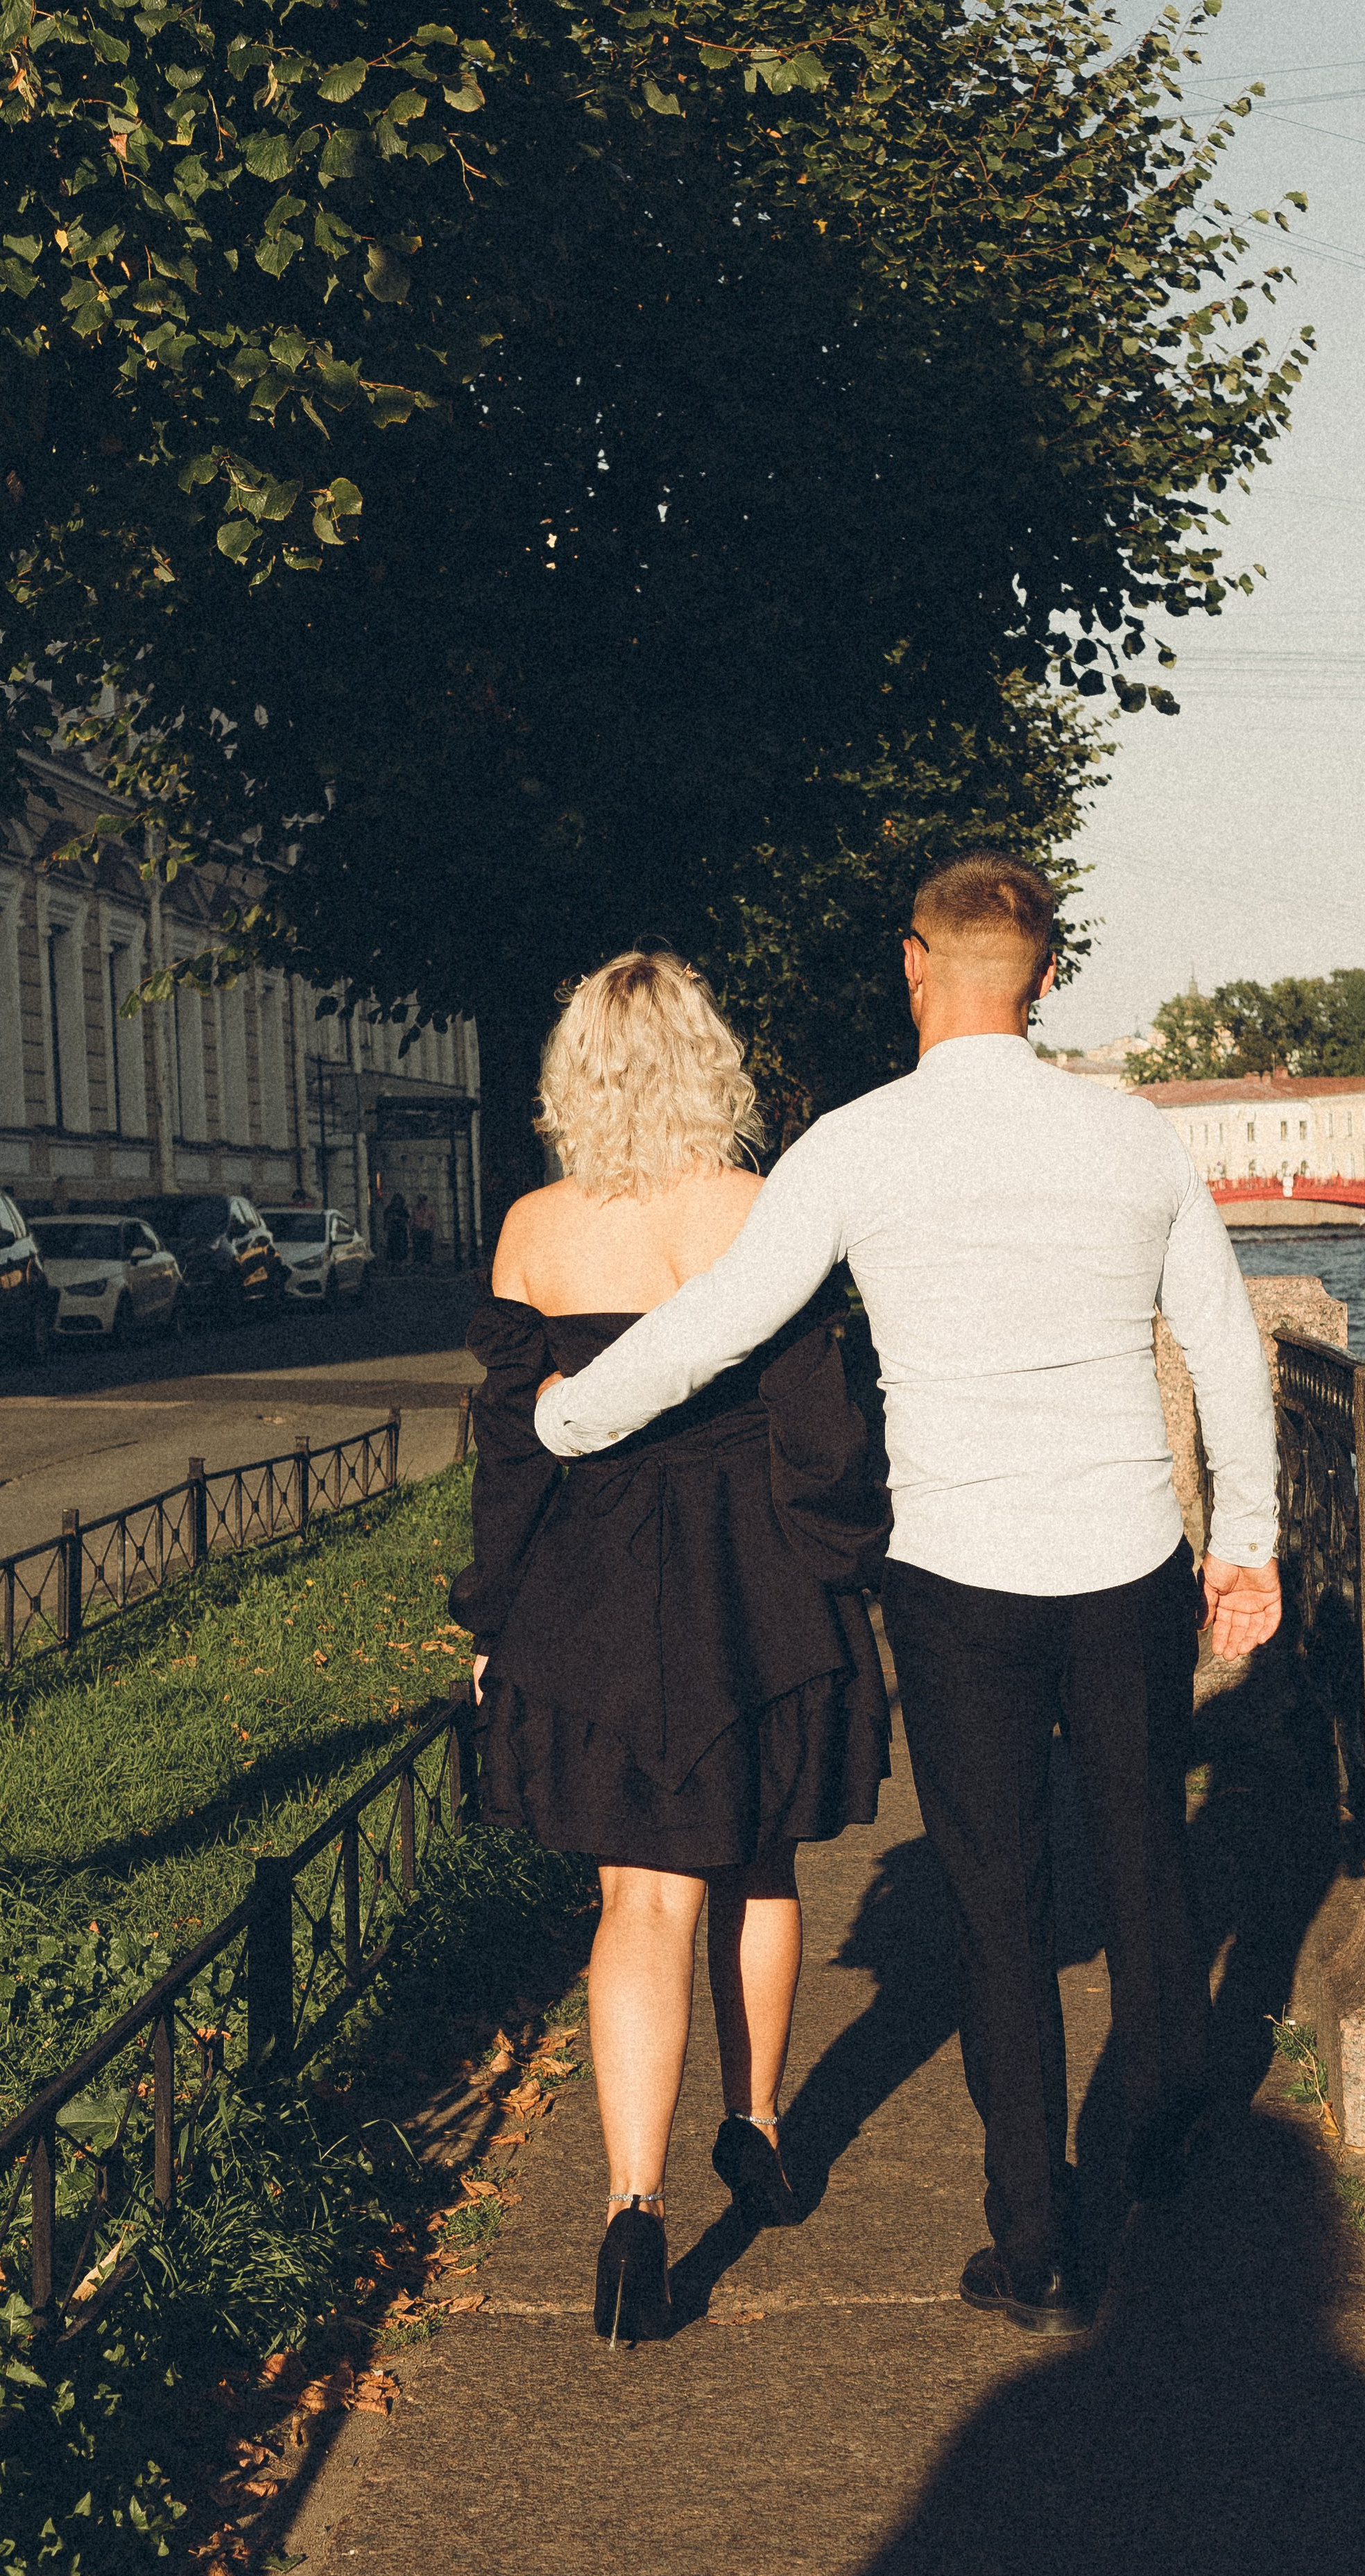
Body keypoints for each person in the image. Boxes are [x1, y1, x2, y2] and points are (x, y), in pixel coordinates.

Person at [536, 856, 1282, 2338]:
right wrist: (1244, 1541)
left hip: (954, 1583)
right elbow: (1222, 1342)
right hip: (1126, 1557)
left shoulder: (855, 1149)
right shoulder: (1132, 1138)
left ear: (911, 968)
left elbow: (714, 1328)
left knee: (995, 1908)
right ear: (1047, 978)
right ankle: (1165, 2112)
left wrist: (570, 1417)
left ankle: (1031, 2235)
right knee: (1147, 1863)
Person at [452, 953, 890, 2344]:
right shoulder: (758, 1213)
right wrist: (842, 1575)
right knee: (756, 1857)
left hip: (589, 1582)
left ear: (571, 1073)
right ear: (714, 1065)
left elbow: (512, 1456)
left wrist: (493, 1613)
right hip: (749, 1573)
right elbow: (821, 1427)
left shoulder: (531, 1230)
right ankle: (755, 2126)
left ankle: (631, 2215)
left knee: (637, 1903)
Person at [384, 1191, 411, 1268]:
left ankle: (401, 1263)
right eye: (396, 1200)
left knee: (401, 1247)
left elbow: (407, 1219)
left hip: (401, 1231)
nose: (397, 1202)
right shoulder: (389, 1209)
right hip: (393, 1231)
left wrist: (399, 1218)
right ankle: (392, 1264)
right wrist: (388, 1223)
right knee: (392, 1247)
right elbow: (386, 1219)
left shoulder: (403, 1209)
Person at [411, 1190, 437, 1268]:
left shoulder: (430, 1210)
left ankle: (427, 1263)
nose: (421, 1202)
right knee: (418, 1248)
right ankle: (418, 1262)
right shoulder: (415, 1210)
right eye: (420, 1200)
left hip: (427, 1231)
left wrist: (431, 1229)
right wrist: (412, 1230)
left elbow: (433, 1220)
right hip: (418, 1231)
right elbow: (413, 1220)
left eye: (422, 1200)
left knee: (427, 1248)